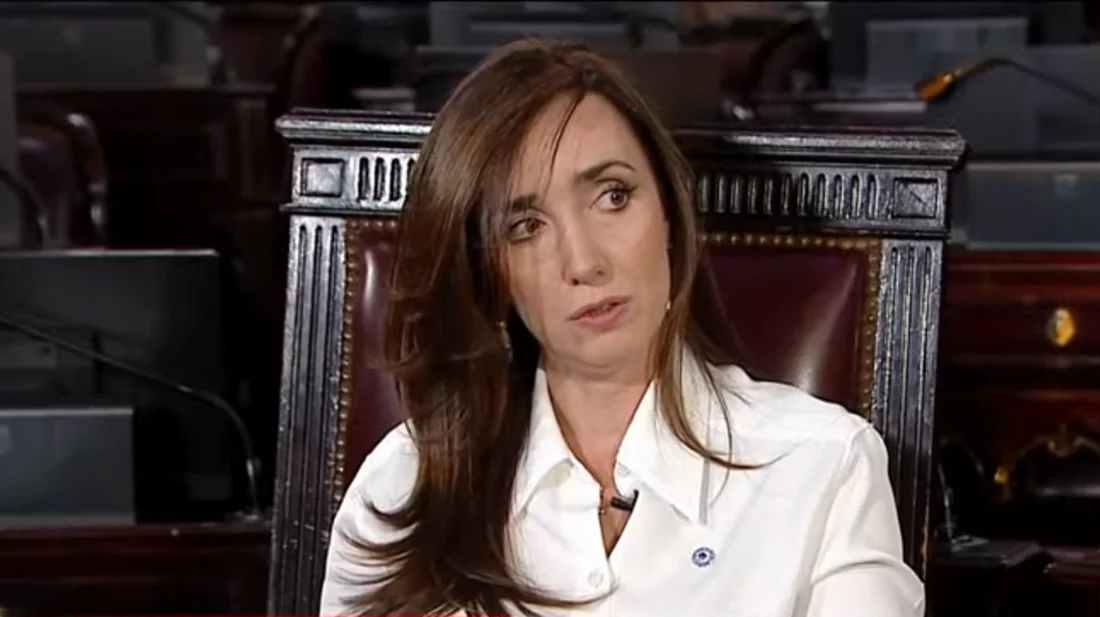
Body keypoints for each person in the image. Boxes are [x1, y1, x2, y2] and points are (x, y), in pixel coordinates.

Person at [320, 39, 924, 617]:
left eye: (613, 196)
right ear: (490, 273)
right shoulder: (403, 488)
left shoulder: (823, 465)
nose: (584, 262)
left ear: (669, 214)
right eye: (525, 227)